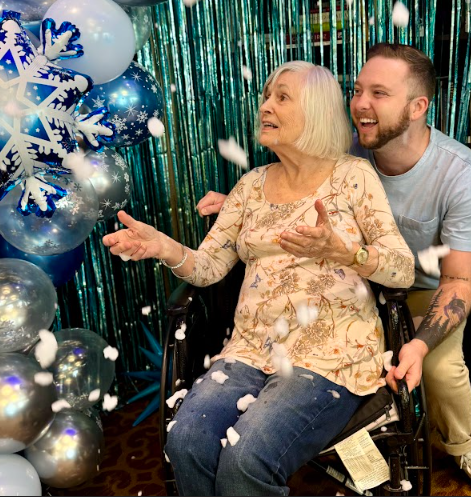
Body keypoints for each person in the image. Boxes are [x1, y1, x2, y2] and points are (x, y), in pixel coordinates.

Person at [198, 44, 471, 497]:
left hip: (425, 288)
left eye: (379, 93)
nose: (361, 104)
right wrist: (239, 207)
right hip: (346, 285)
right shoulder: (346, 149)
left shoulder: (461, 175)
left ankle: (465, 446)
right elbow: (291, 176)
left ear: (417, 107)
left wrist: (419, 345)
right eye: (357, 90)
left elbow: (458, 282)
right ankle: (336, 446)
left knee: (441, 367)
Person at [103, 60, 415, 497]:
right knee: (187, 441)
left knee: (247, 459)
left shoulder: (353, 177)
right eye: (266, 95)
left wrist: (348, 252)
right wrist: (164, 247)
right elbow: (209, 267)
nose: (265, 106)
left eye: (282, 97)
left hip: (328, 354)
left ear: (317, 111)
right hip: (251, 349)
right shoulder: (249, 186)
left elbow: (403, 267)